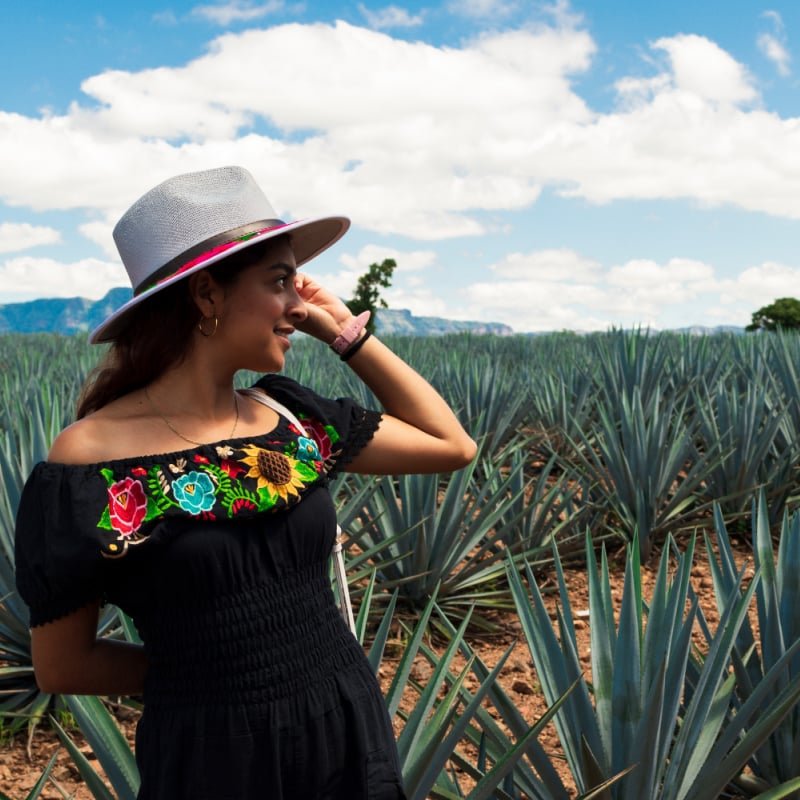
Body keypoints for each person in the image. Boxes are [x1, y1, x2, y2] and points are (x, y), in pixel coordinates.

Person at [14, 166, 477, 799]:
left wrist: (344, 331)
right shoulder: (90, 464)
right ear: (206, 296)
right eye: (280, 281)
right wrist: (204, 675)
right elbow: (62, 664)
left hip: (344, 725)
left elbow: (450, 445)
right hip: (212, 755)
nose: (298, 304)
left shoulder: (288, 417)